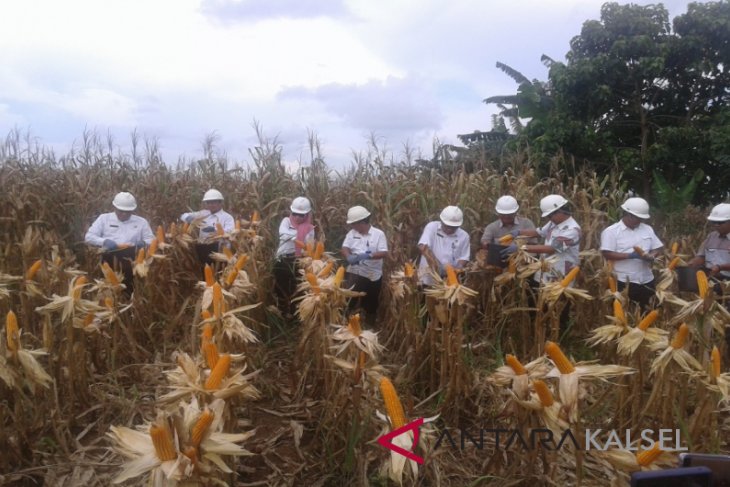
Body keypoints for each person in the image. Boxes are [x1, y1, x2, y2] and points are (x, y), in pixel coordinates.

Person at [600, 197, 664, 310]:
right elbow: (607, 253)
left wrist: (652, 256)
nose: (640, 221)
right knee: (625, 313)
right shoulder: (611, 231)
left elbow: (658, 247)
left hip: (647, 280)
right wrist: (629, 256)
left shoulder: (647, 229)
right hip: (623, 281)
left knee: (647, 312)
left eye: (641, 218)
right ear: (628, 214)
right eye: (638, 218)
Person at [84, 191, 154, 293]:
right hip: (108, 258)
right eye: (120, 210)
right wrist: (104, 241)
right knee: (107, 289)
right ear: (114, 207)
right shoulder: (104, 219)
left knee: (130, 288)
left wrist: (144, 243)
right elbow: (89, 237)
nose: (124, 214)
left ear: (133, 210)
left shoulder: (141, 222)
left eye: (128, 211)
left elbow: (151, 239)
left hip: (132, 260)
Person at [688, 203, 730, 359]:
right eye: (714, 222)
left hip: (728, 286)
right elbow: (701, 256)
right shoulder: (711, 237)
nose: (716, 225)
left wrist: (721, 267)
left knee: (727, 321)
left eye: (720, 223)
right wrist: (692, 263)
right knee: (708, 319)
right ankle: (709, 351)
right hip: (711, 283)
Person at [341, 206, 389, 326]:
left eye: (354, 224)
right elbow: (345, 247)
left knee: (371, 303)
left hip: (373, 275)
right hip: (355, 272)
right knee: (349, 300)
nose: (352, 227)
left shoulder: (378, 234)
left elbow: (384, 252)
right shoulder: (352, 233)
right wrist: (348, 256)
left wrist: (368, 256)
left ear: (362, 222)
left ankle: (369, 326)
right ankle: (346, 324)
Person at [273, 196, 315, 317]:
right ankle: (281, 310)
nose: (297, 217)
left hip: (299, 260)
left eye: (301, 215)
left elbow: (309, 245)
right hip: (282, 259)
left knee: (296, 287)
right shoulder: (286, 221)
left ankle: (294, 312)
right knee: (281, 286)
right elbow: (282, 234)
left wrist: (294, 238)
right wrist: (298, 238)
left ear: (307, 215)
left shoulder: (310, 229)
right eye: (295, 213)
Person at [417, 206, 470, 287]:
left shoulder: (464, 236)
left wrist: (456, 270)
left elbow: (464, 257)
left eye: (453, 227)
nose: (449, 229)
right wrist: (435, 264)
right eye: (447, 226)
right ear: (441, 221)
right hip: (428, 276)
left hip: (449, 280)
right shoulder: (432, 227)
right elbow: (423, 246)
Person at [180, 189, 235, 266]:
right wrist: (188, 218)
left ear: (220, 203)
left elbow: (231, 232)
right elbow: (183, 215)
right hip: (203, 248)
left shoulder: (227, 217)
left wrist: (215, 230)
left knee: (220, 272)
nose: (211, 205)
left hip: (221, 250)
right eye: (208, 203)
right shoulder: (203, 213)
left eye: (214, 202)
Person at [481, 195, 536, 265]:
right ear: (498, 213)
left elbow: (534, 243)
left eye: (509, 215)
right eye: (503, 215)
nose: (506, 217)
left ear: (516, 212)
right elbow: (485, 241)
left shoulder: (526, 223)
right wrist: (487, 245)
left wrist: (520, 247)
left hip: (523, 263)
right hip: (499, 262)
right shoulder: (492, 227)